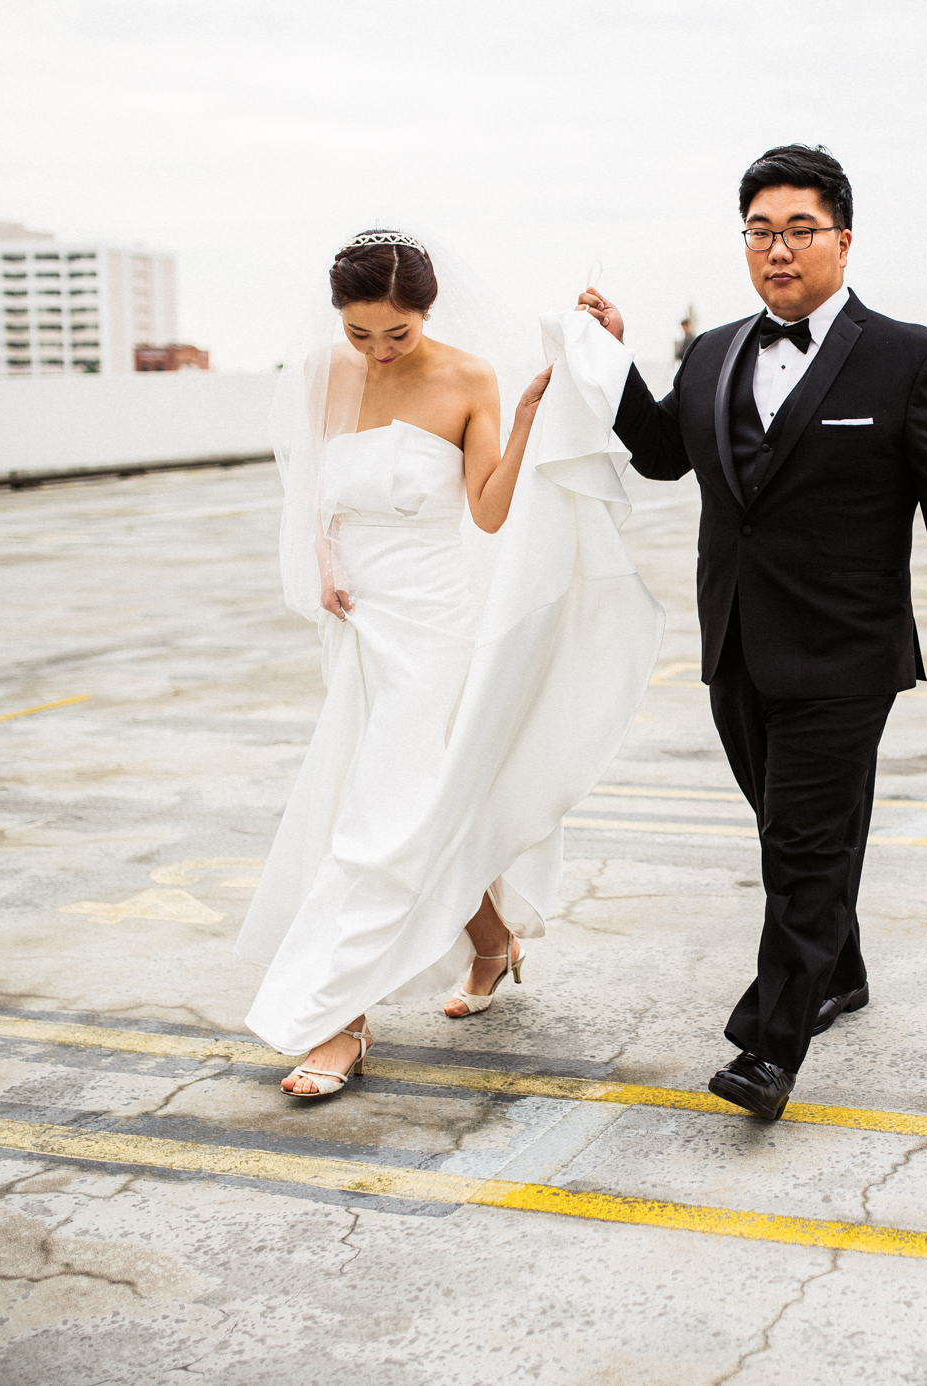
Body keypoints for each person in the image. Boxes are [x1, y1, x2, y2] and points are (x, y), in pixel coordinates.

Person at [581, 146, 927, 1120]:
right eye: (760, 230)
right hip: (737, 642)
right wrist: (612, 355)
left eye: (799, 229)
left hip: (846, 650)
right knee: (793, 833)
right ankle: (838, 971)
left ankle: (769, 1049)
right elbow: (659, 458)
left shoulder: (907, 356)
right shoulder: (711, 352)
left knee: (803, 848)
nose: (777, 249)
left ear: (842, 240)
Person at [239, 230, 662, 1097]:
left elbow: (491, 512)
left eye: (397, 334)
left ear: (426, 313)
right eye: (361, 335)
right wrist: (322, 562)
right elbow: (313, 491)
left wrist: (528, 423)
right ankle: (491, 941)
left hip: (437, 623)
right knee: (413, 804)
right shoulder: (322, 375)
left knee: (374, 820)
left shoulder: (467, 377)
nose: (379, 351)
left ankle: (335, 1022)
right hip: (359, 620)